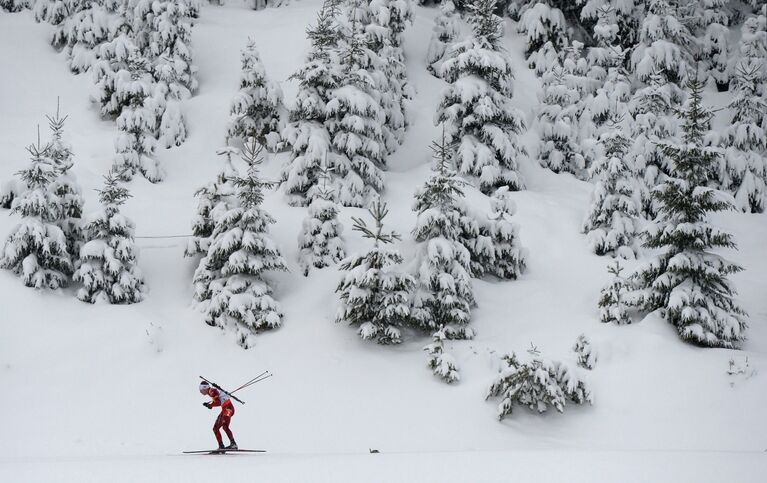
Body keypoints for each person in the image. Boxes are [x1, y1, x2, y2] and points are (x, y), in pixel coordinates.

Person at [199, 381, 238, 450]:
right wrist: (210, 405)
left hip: (228, 409)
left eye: (201, 389)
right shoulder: (211, 392)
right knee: (215, 428)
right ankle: (221, 446)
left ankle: (233, 444)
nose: (200, 391)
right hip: (225, 409)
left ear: (204, 388)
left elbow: (219, 402)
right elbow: (218, 400)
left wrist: (210, 405)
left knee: (224, 426)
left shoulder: (212, 391)